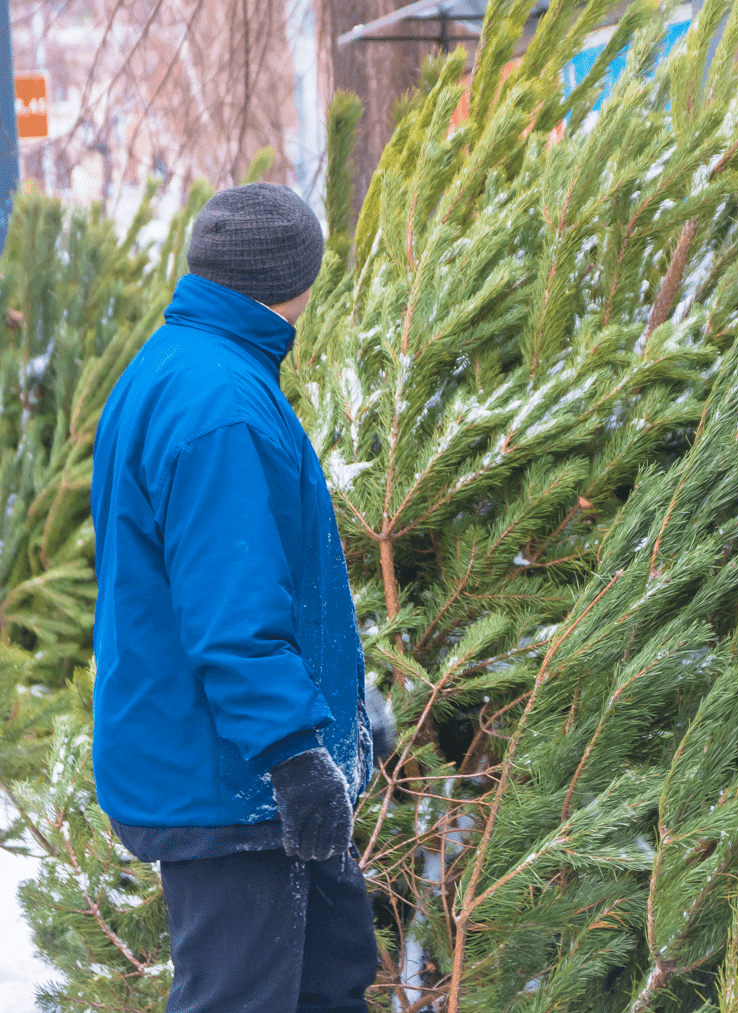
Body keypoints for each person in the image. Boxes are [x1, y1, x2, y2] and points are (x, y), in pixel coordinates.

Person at [91, 182, 393, 1013]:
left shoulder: (180, 363)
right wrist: (295, 757)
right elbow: (231, 614)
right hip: (232, 783)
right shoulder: (221, 404)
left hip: (234, 761)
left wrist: (337, 707)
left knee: (330, 978)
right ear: (295, 282)